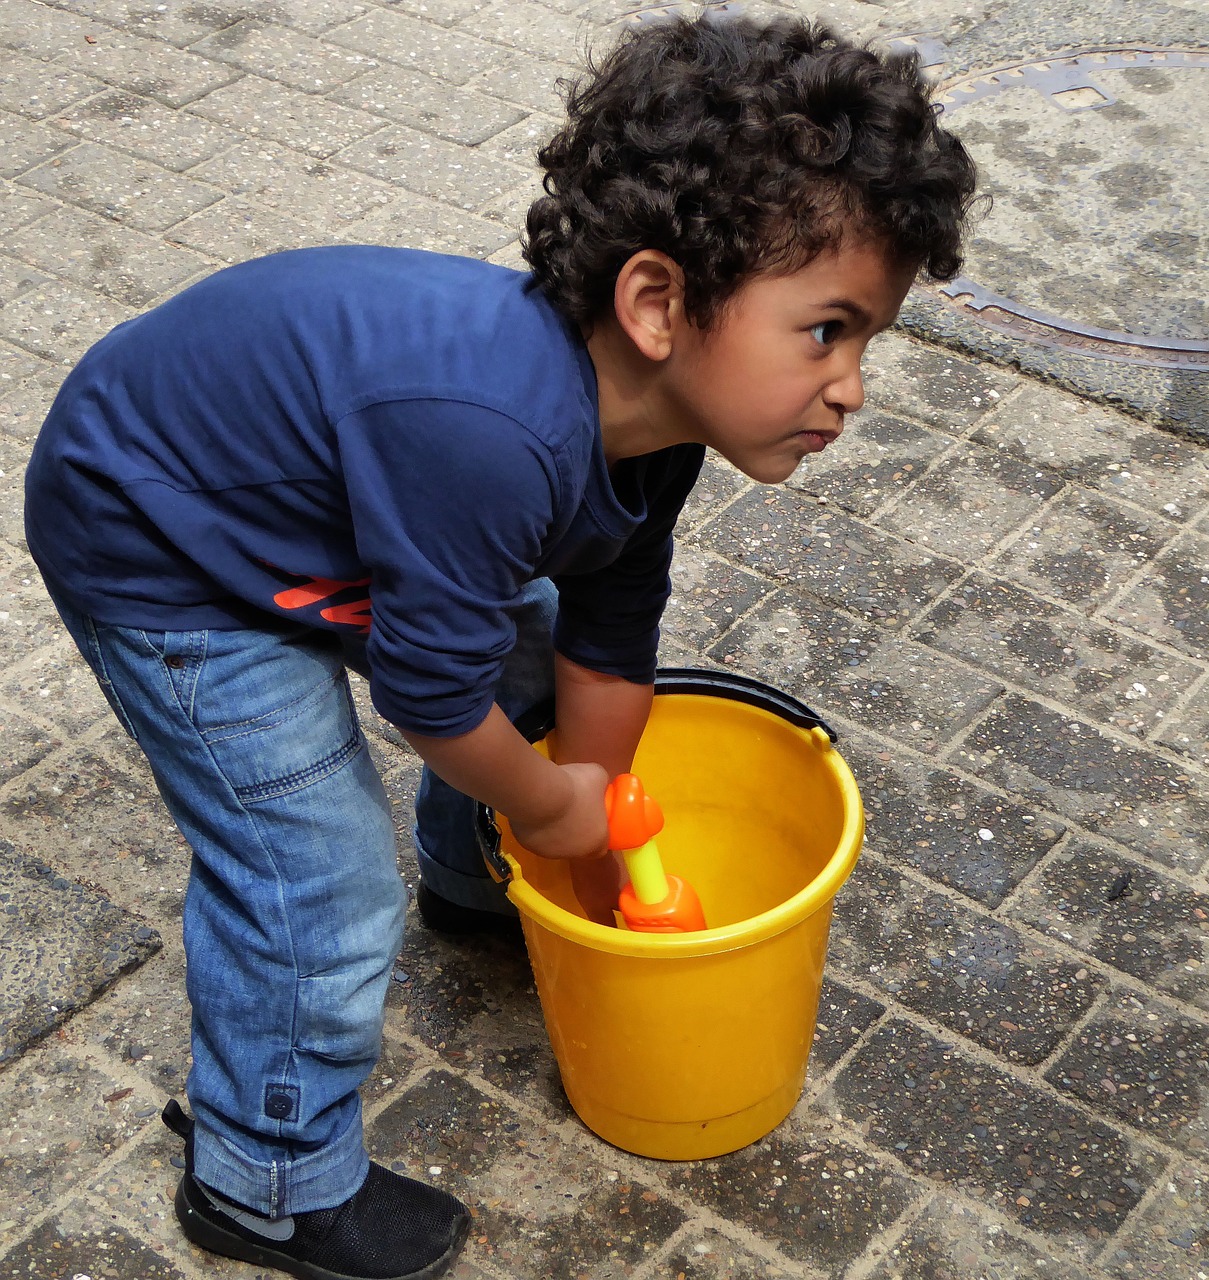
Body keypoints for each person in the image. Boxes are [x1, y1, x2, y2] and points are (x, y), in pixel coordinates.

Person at [23, 11, 976, 1280]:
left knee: (524, 648)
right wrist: (547, 801)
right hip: (156, 538)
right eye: (826, 330)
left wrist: (598, 820)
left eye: (868, 339)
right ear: (658, 301)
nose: (853, 384)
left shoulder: (657, 428)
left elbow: (609, 632)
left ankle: (479, 884)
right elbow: (428, 694)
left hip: (311, 504)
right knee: (314, 869)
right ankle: (263, 1179)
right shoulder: (490, 435)